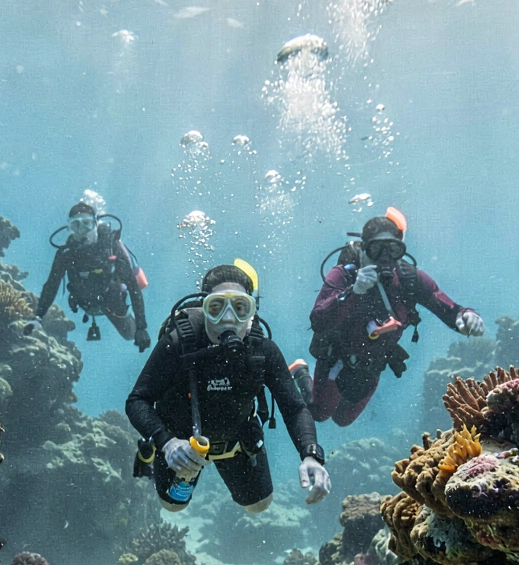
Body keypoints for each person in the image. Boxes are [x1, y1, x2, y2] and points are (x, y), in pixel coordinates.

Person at [126, 263, 331, 513]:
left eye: (240, 307)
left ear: (252, 313)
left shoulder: (263, 350)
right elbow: (137, 400)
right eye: (216, 307)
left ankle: (295, 374)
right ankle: (148, 448)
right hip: (181, 444)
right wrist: (167, 443)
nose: (229, 318)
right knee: (173, 507)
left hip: (236, 441)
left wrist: (311, 454)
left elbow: (294, 408)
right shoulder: (178, 344)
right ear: (204, 308)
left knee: (259, 505)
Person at [291, 209, 485, 427]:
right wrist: (354, 291)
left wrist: (465, 315)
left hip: (372, 365)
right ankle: (300, 371)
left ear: (400, 251)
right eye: (376, 250)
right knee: (319, 413)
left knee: (343, 420)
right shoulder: (345, 274)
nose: (384, 258)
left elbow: (444, 304)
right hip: (337, 357)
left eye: (393, 250)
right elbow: (318, 320)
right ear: (364, 249)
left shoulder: (408, 278)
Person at [25, 202, 151, 351]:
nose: (82, 231)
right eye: (76, 225)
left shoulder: (112, 248)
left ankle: (130, 320)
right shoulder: (66, 254)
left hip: (113, 302)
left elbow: (133, 287)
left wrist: (141, 328)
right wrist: (38, 317)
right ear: (70, 228)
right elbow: (51, 285)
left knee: (130, 334)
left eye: (87, 223)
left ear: (95, 224)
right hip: (86, 303)